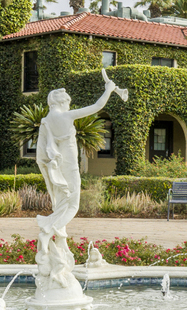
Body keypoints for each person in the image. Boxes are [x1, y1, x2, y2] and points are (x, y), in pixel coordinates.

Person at [35, 67, 128, 237]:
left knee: (62, 202)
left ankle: (57, 237)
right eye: (68, 103)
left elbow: (41, 152)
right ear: (62, 102)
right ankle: (49, 231)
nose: (69, 106)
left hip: (57, 165)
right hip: (69, 163)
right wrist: (108, 90)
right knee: (73, 205)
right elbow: (97, 106)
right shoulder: (66, 116)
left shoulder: (46, 121)